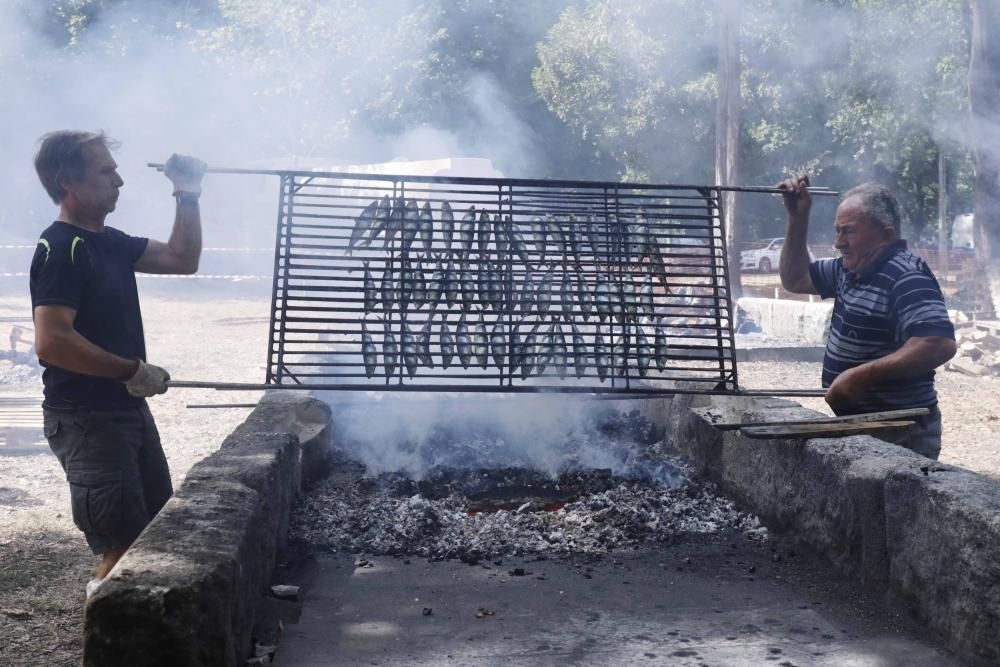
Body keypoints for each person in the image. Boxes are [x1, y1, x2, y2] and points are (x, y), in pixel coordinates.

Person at [29, 130, 206, 598]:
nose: (120, 181)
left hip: (123, 412)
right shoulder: (60, 248)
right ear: (69, 181)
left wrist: (186, 192)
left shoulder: (111, 242)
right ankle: (107, 635)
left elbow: (183, 258)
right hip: (86, 420)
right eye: (106, 171)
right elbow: (52, 341)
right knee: (123, 546)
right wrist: (131, 371)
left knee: (153, 533)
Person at [778, 175, 956, 459]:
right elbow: (795, 278)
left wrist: (862, 376)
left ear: (886, 235)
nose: (838, 243)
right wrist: (797, 219)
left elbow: (938, 342)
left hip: (903, 434)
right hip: (865, 426)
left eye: (848, 232)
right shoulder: (847, 269)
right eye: (837, 232)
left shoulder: (906, 275)